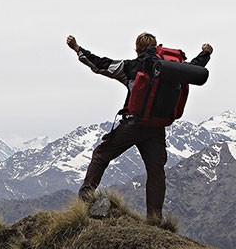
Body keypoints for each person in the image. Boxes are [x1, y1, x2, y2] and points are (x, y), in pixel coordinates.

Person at [66, 32, 213, 221]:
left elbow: (100, 65)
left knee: (101, 155)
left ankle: (85, 198)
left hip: (134, 125)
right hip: (157, 128)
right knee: (156, 171)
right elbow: (195, 68)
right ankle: (154, 219)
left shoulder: (131, 66)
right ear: (157, 47)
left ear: (137, 48)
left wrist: (78, 49)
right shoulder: (173, 68)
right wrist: (206, 53)